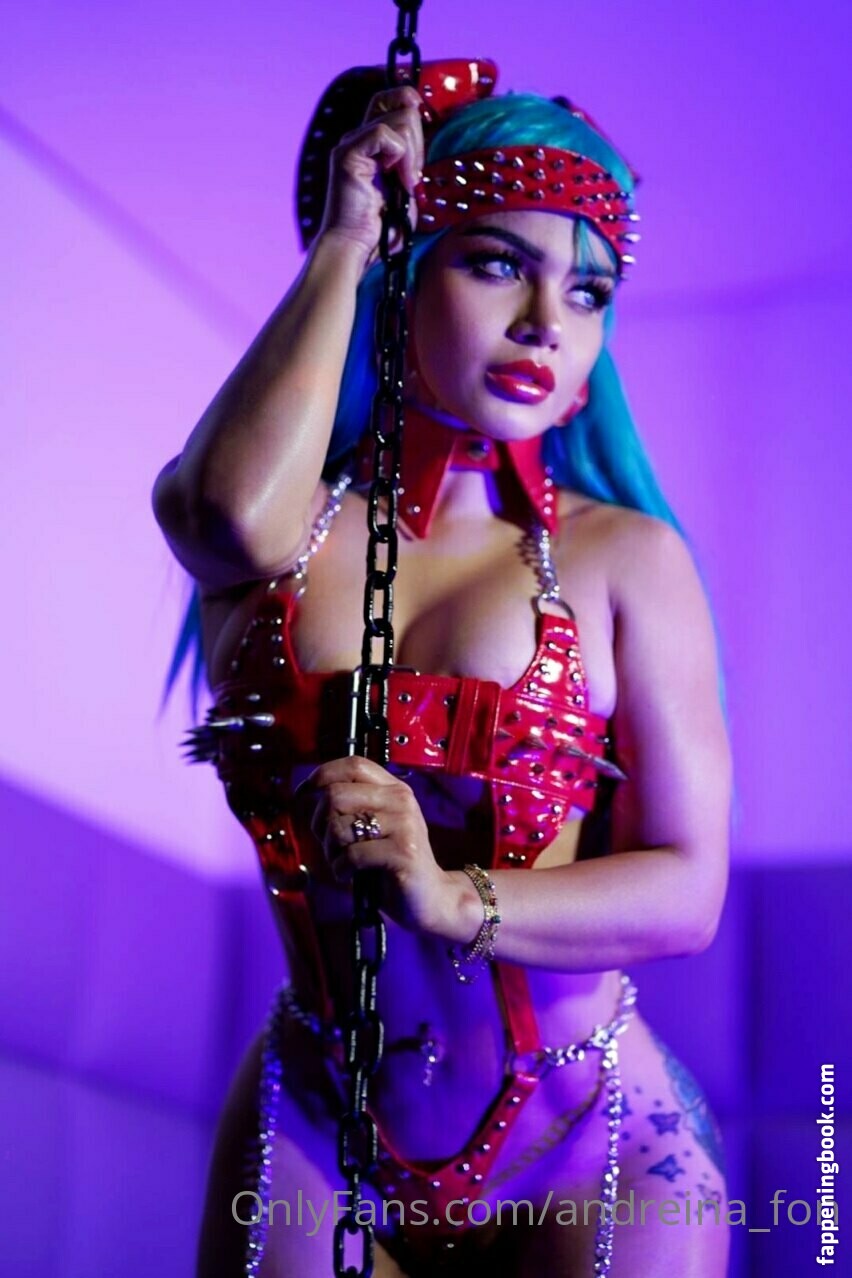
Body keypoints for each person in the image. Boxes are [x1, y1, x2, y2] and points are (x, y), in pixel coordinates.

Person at [153, 58, 732, 1278]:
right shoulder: (281, 533)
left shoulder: (626, 559)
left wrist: (453, 895)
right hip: (318, 1122)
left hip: (592, 1138)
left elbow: (688, 893)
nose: (547, 323)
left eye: (588, 291)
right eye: (496, 263)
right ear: (404, 268)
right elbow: (216, 513)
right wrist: (346, 236)